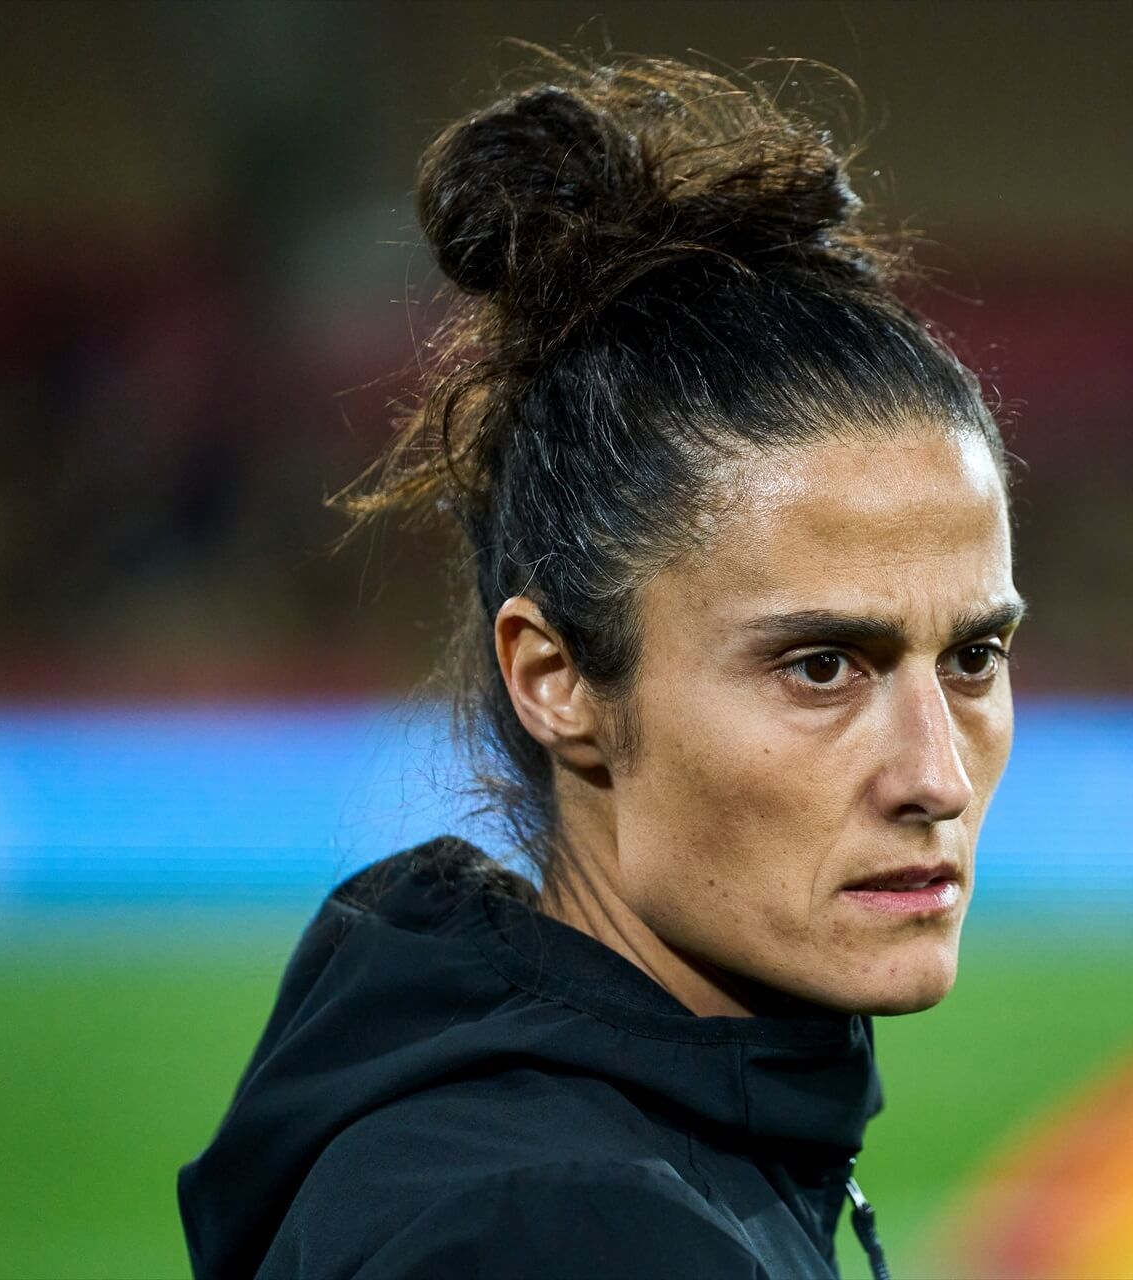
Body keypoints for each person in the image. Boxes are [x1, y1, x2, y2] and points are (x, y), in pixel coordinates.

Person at [178, 53, 1022, 1280]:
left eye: (975, 654)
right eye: (823, 665)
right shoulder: (556, 1233)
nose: (935, 775)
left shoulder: (572, 1132)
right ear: (556, 676)